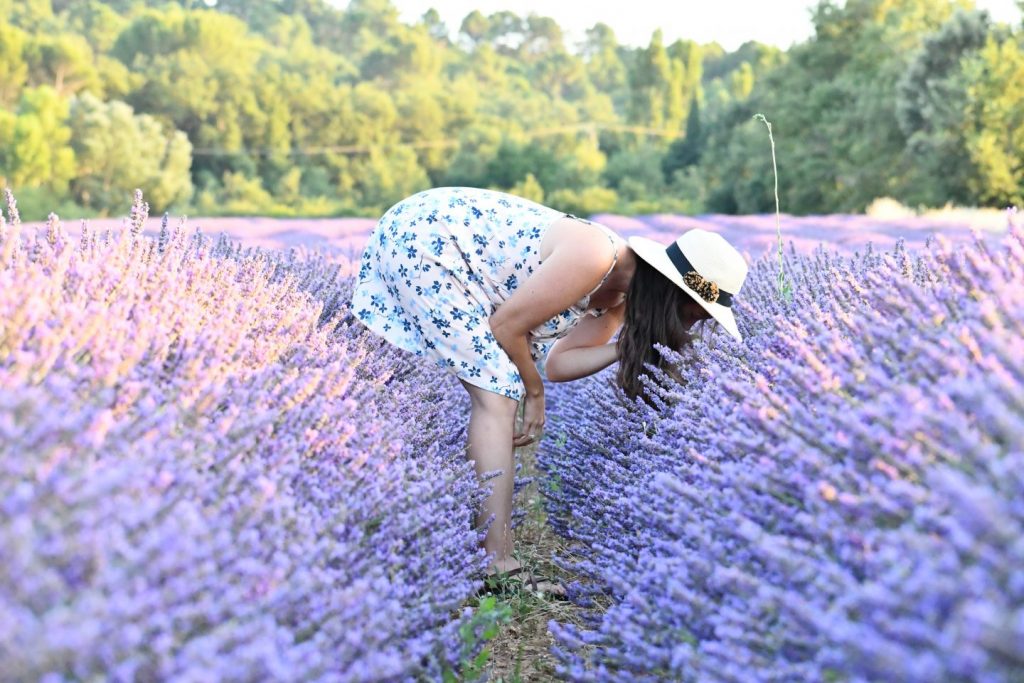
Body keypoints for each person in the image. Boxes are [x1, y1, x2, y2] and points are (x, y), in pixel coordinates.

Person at [349, 186, 748, 586]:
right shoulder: (596, 258)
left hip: (447, 251)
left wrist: (622, 350)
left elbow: (558, 363)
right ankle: (496, 564)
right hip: (426, 239)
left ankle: (489, 555)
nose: (690, 327)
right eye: (691, 315)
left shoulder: (621, 298)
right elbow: (507, 327)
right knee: (499, 394)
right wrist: (533, 393)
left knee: (500, 389)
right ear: (672, 293)